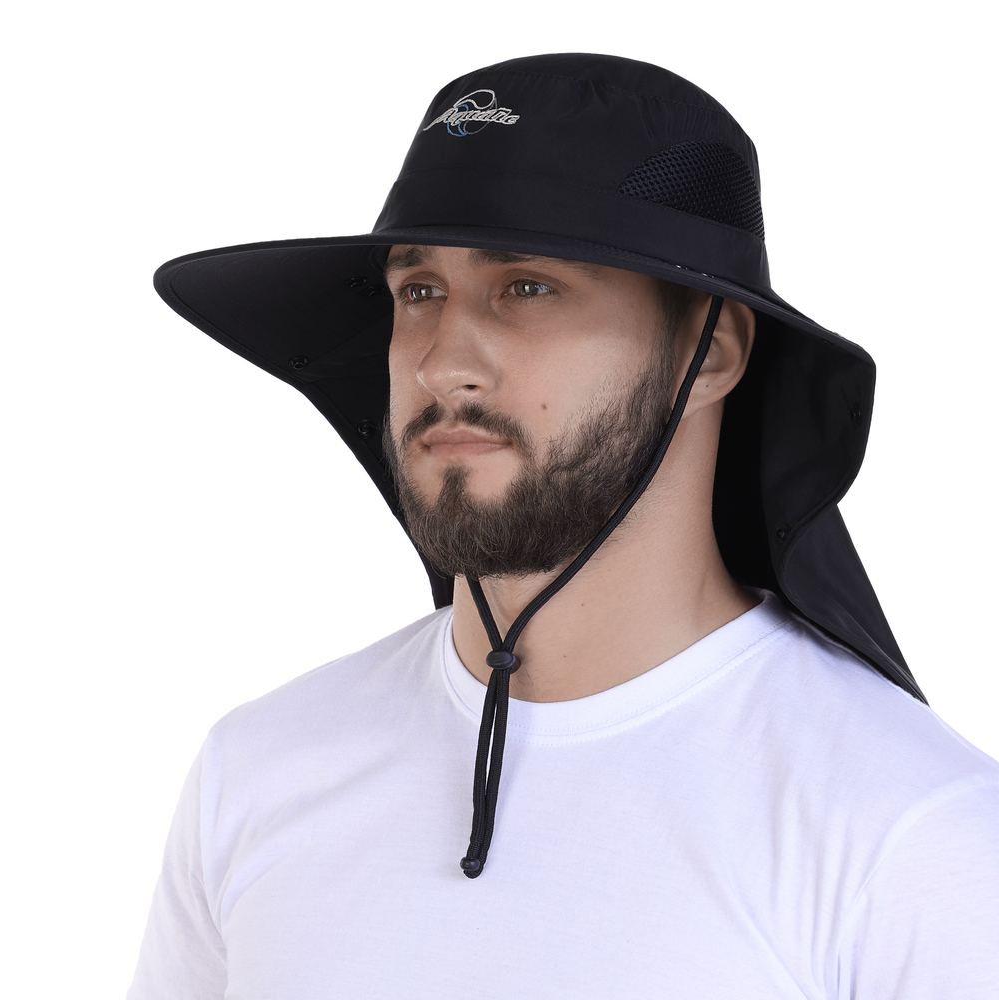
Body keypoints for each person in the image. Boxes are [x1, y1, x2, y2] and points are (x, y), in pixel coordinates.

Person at [129, 53, 999, 998]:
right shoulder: (258, 771)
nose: (441, 365)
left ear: (710, 353)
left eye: (528, 288)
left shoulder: (911, 840)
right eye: (419, 291)